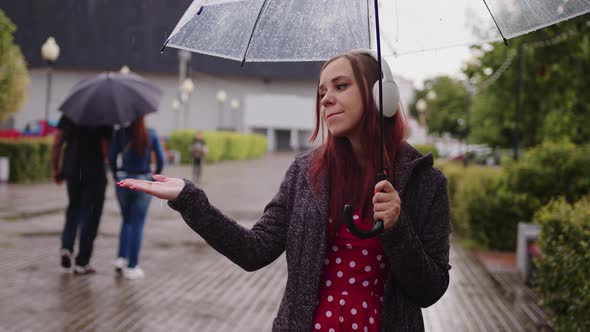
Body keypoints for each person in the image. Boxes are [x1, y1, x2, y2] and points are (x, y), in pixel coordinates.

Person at [118, 50, 451, 331]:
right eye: (322, 92)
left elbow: (430, 290)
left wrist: (397, 229)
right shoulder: (306, 174)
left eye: (341, 86)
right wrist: (190, 199)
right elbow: (254, 250)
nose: (327, 99)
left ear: (382, 95)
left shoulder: (426, 183)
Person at [51, 115, 112, 275]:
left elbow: (57, 143)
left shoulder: (70, 114)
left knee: (73, 209)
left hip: (72, 170)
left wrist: (56, 169)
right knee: (90, 216)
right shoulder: (104, 117)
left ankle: (66, 247)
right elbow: (106, 149)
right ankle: (82, 262)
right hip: (94, 172)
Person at [109, 116, 164, 279]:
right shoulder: (151, 134)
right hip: (143, 181)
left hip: (123, 180)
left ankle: (120, 258)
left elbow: (112, 159)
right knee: (137, 224)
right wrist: (154, 178)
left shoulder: (120, 133)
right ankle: (132, 267)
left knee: (126, 220)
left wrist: (115, 175)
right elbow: (160, 160)